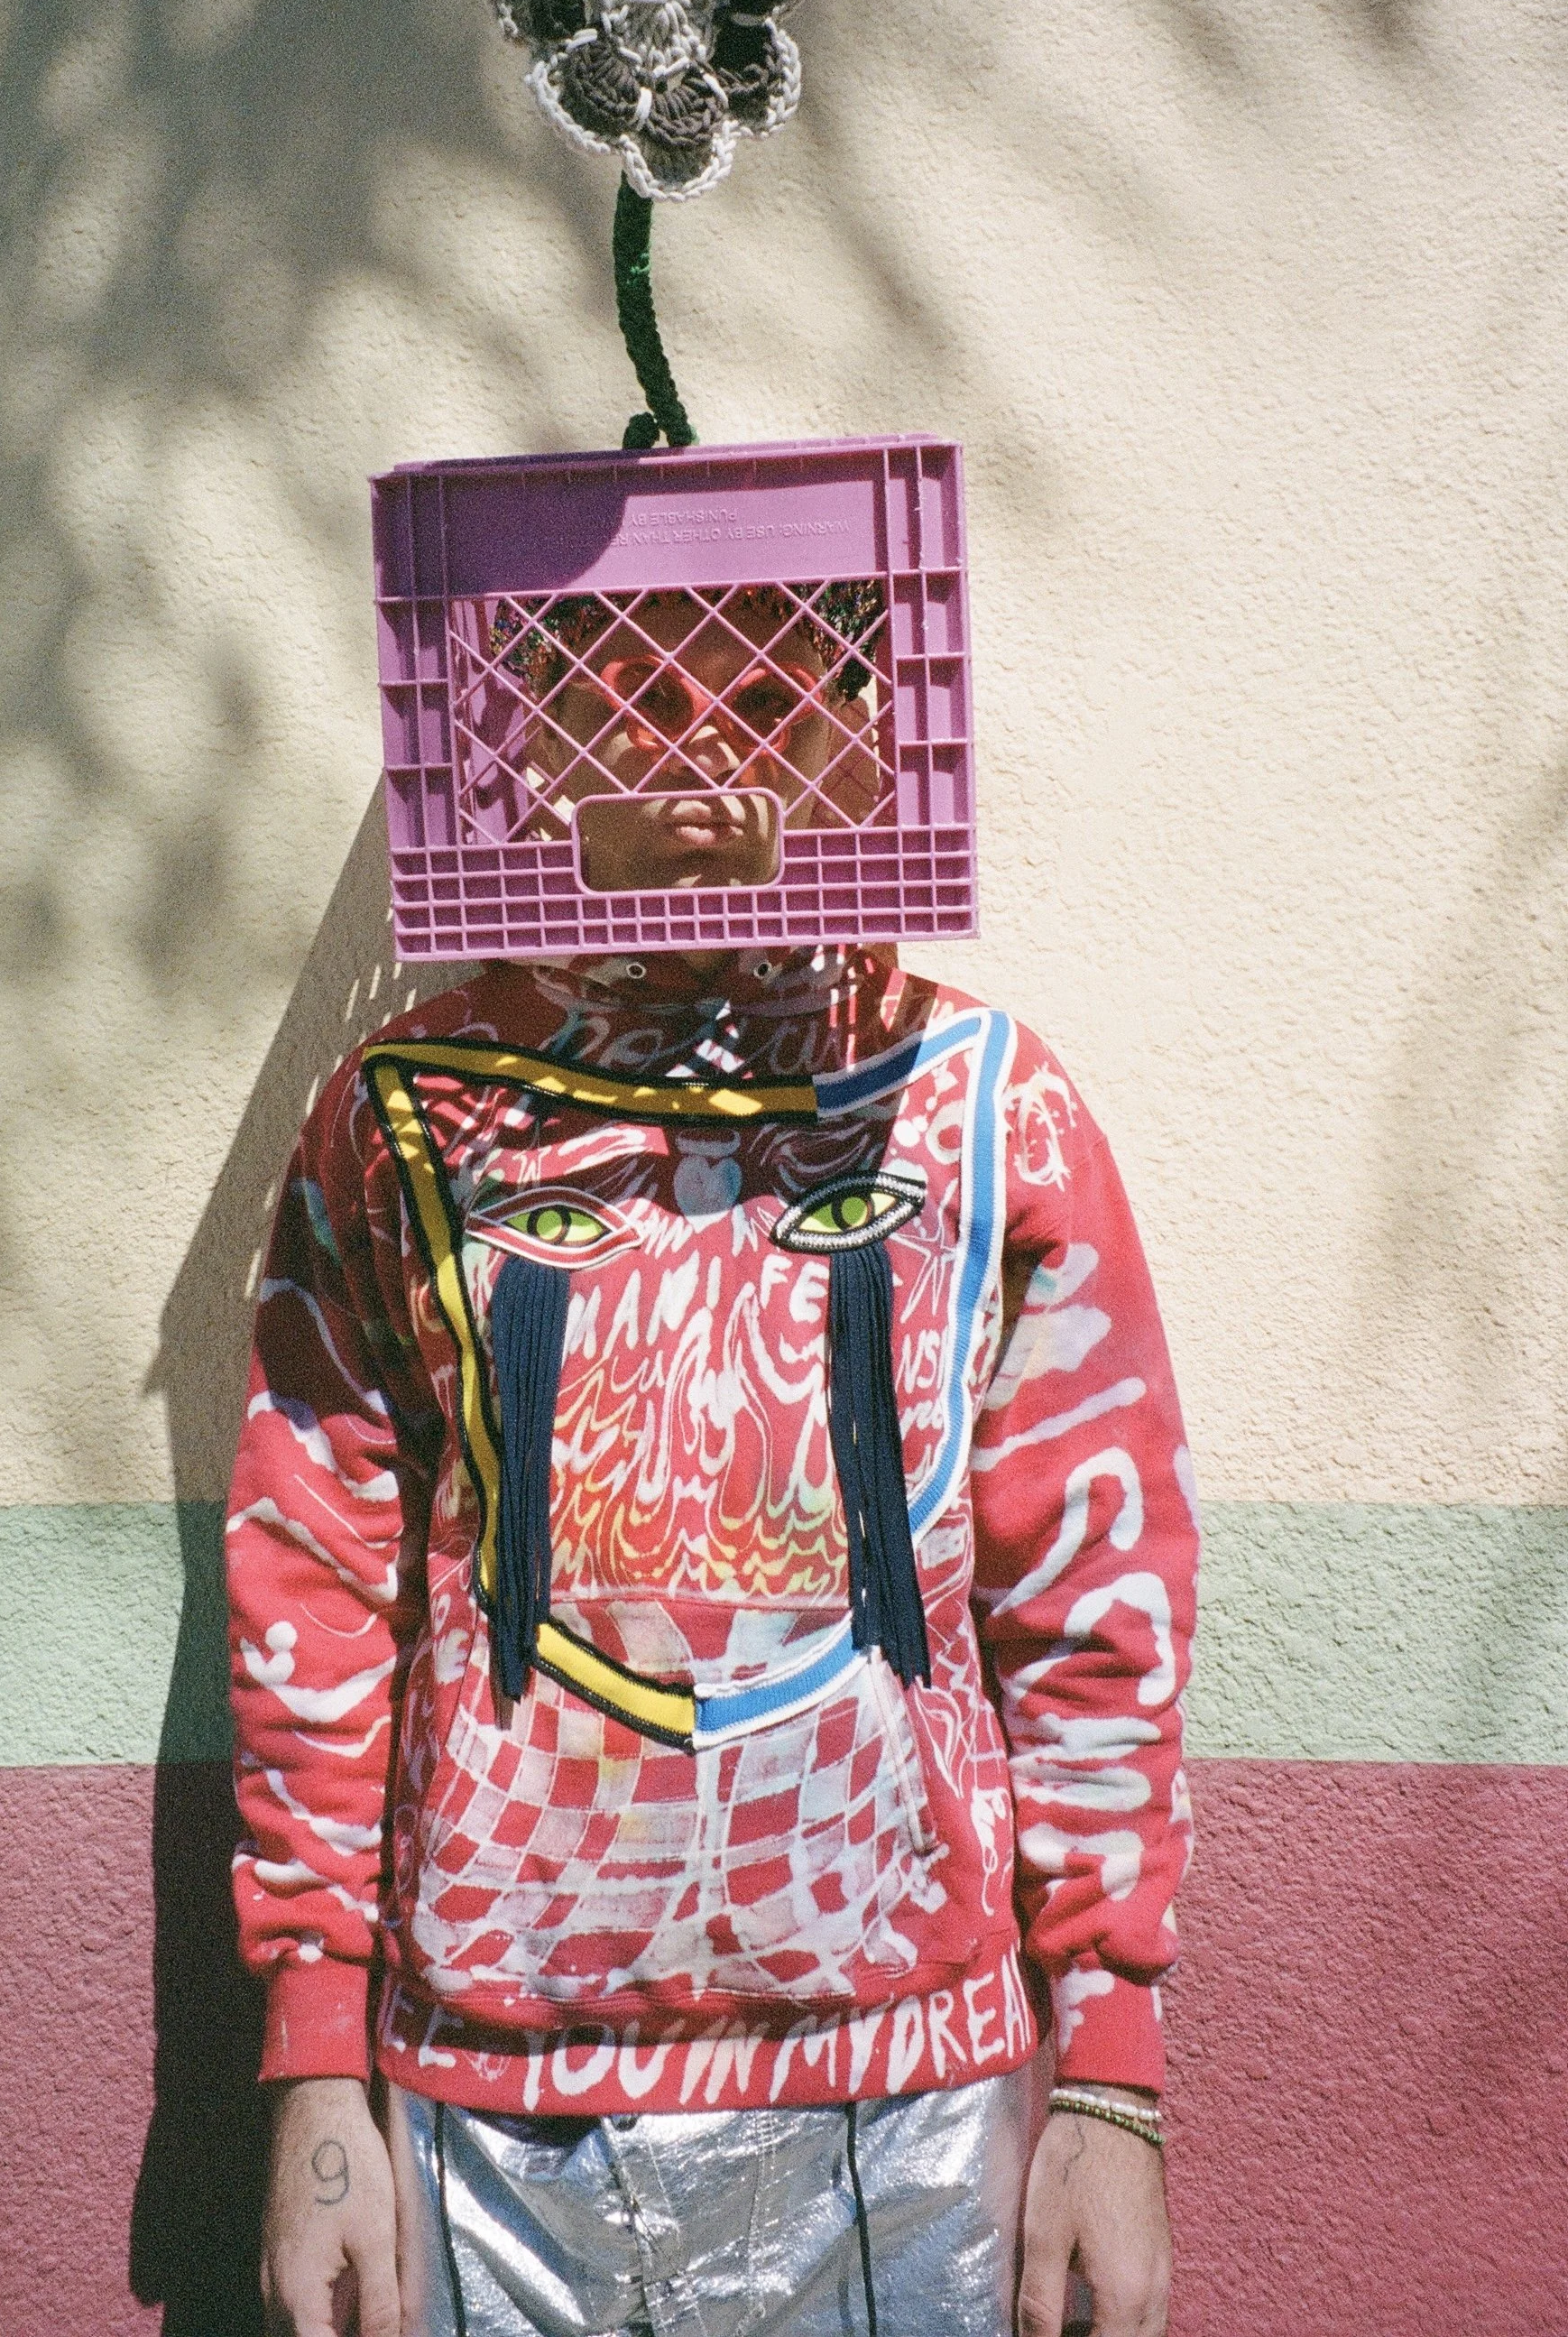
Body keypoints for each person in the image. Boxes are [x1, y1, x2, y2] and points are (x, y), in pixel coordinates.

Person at [226, 578, 1195, 2337]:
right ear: (528, 733)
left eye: (763, 693)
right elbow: (314, 1578)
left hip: (908, 2104)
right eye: (632, 694)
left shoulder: (983, 1105)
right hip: (491, 2102)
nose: (695, 752)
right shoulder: (401, 1114)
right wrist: (313, 2076)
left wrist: (1110, 2076)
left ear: (857, 731)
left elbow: (1094, 1602)